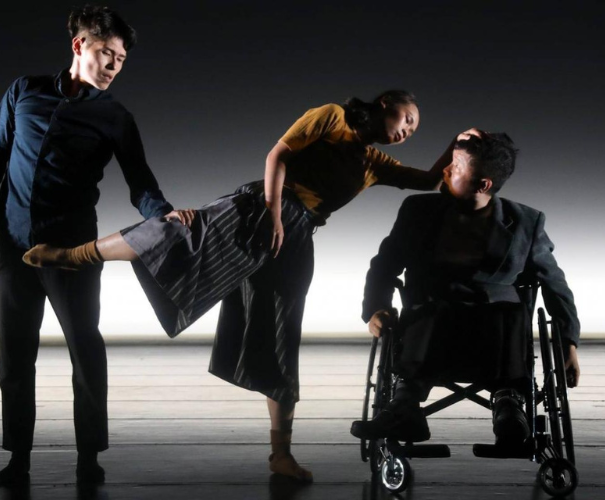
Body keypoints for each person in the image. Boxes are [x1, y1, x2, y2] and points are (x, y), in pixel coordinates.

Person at [23, 91, 464, 481]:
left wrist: (459, 144)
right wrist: (273, 213)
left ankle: (281, 455)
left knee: (280, 337)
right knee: (176, 236)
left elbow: (430, 182)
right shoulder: (333, 117)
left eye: (415, 129)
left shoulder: (373, 164)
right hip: (260, 209)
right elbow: (278, 155)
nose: (409, 130)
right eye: (407, 119)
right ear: (384, 104)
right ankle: (69, 256)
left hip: (297, 237)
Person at [0, 5, 193, 486]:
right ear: (79, 46)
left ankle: (88, 457)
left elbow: (140, 183)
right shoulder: (24, 91)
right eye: (107, 53)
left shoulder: (115, 117)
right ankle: (18, 458)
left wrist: (162, 213)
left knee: (86, 349)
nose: (113, 65)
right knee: (16, 355)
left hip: (74, 252)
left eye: (121, 60)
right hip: (14, 247)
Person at [349, 132, 581, 447]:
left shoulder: (526, 222)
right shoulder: (418, 211)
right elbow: (384, 265)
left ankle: (509, 405)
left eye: (455, 167)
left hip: (495, 335)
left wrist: (568, 343)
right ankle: (404, 405)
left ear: (483, 184)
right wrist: (375, 308)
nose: (444, 170)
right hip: (431, 325)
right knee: (431, 309)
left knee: (512, 312)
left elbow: (554, 282)